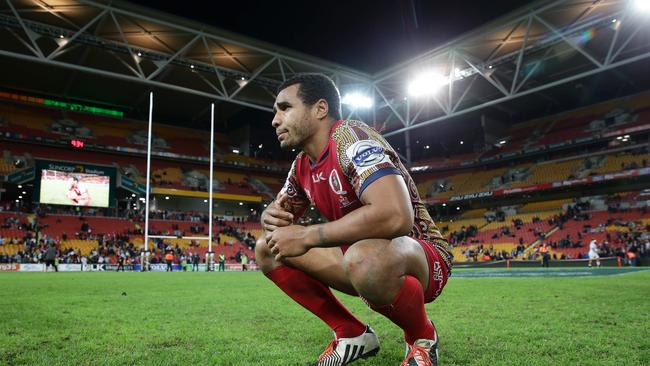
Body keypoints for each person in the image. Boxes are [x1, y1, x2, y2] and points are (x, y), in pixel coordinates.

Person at [257, 74, 452, 366]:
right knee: (266, 247)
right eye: (275, 111)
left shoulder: (351, 137)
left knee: (364, 256)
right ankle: (351, 334)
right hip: (358, 260)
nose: (275, 120)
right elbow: (279, 223)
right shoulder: (301, 166)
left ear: (320, 109)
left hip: (422, 256)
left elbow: (396, 215)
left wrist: (308, 236)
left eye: (285, 108)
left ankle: (422, 337)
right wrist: (268, 216)